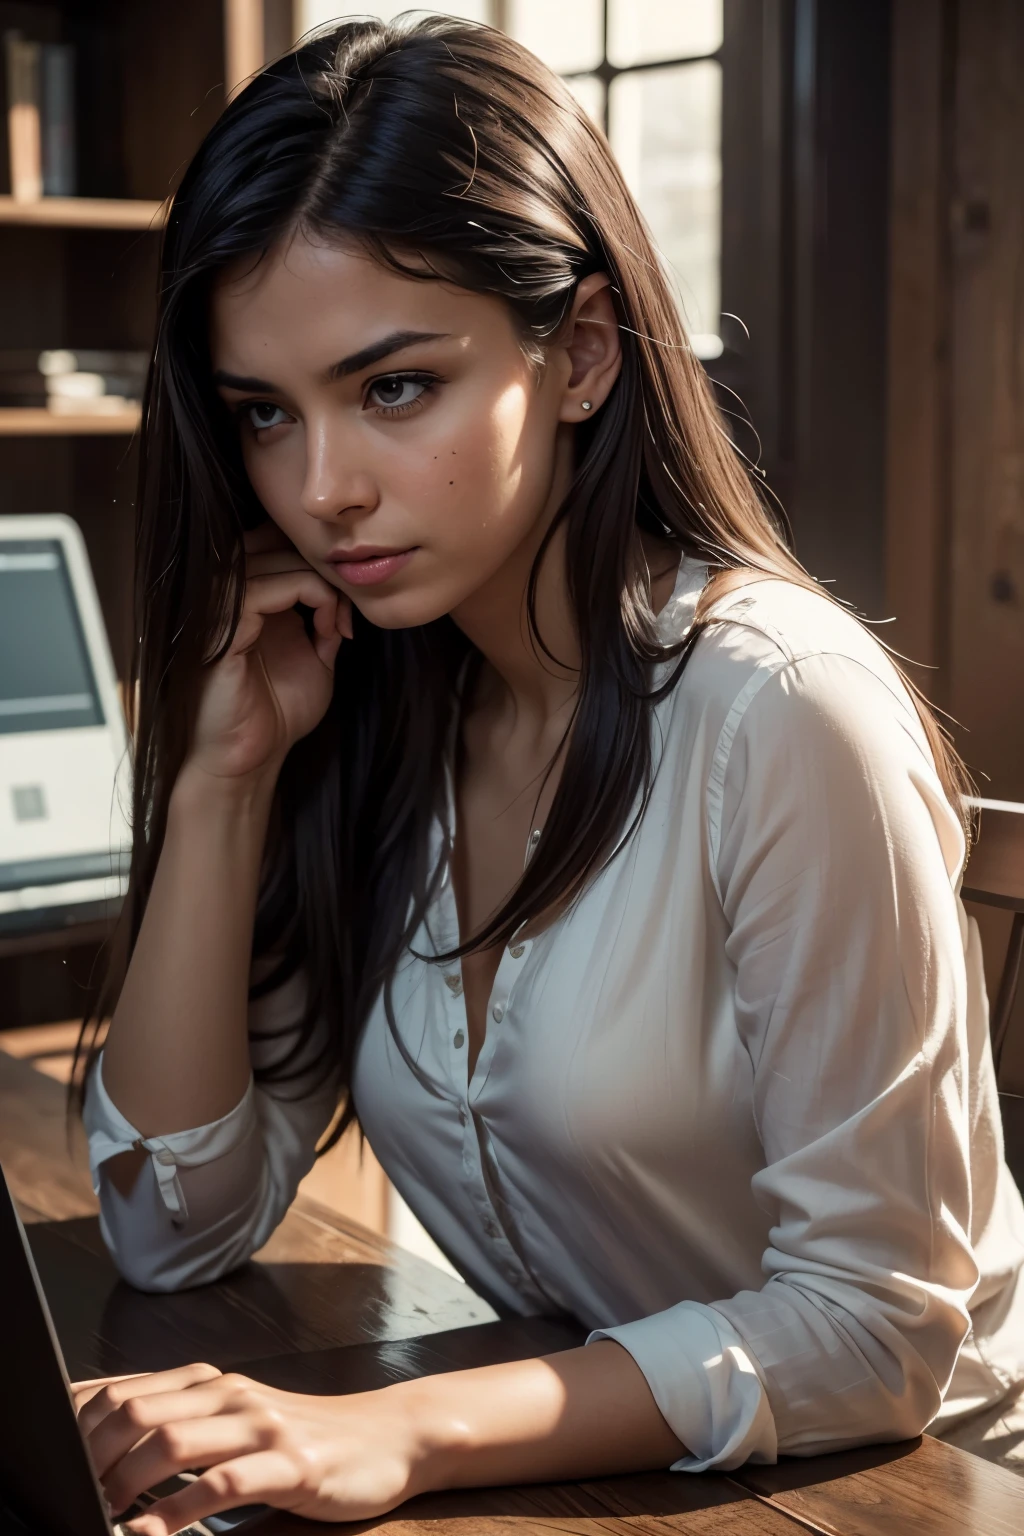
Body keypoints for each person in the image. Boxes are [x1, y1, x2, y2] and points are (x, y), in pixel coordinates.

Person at [71, 15, 1024, 1534]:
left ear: (579, 352)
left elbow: (872, 1327)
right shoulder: (376, 706)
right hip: (612, 1469)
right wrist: (223, 781)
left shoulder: (783, 711)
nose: (321, 490)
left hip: (900, 1492)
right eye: (265, 413)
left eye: (392, 388)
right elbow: (174, 1234)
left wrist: (397, 1432)